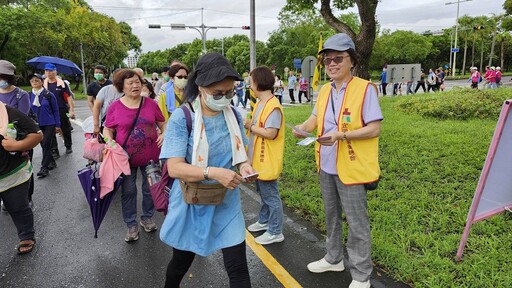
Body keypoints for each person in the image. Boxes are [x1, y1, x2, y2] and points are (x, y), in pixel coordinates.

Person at [292, 33, 382, 288]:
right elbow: (315, 120)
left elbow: (374, 129)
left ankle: (361, 275)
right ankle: (333, 259)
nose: (332, 64)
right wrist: (302, 127)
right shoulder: (323, 91)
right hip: (326, 165)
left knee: (357, 223)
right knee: (331, 216)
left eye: (338, 58)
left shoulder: (365, 89)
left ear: (351, 61)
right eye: (327, 60)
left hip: (352, 168)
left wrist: (342, 135)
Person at [159, 52, 256, 288]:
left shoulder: (232, 114)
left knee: (238, 270)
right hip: (192, 201)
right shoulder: (183, 118)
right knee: (180, 264)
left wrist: (245, 167)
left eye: (229, 92)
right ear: (200, 87)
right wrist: (212, 172)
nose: (224, 98)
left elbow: (240, 155)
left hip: (226, 202)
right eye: (218, 93)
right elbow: (174, 167)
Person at [103, 69, 166, 242]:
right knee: (129, 191)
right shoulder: (115, 106)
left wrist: (163, 134)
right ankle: (131, 224)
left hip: (151, 156)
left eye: (138, 81)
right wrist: (110, 141)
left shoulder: (151, 104)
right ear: (121, 86)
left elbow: (163, 123)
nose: (135, 85)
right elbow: (108, 128)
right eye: (130, 83)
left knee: (150, 189)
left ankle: (147, 217)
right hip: (126, 158)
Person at [244, 66, 285, 245]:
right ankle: (264, 220)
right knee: (263, 192)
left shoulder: (273, 106)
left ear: (258, 82)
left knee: (271, 196)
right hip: (257, 159)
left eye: (251, 81)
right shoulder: (260, 103)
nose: (249, 85)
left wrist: (249, 126)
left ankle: (276, 231)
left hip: (267, 159)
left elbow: (270, 133)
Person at [0, 101, 43, 254]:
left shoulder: (9, 113)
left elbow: (37, 134)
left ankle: (26, 235)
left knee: (17, 207)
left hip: (13, 173)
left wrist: (17, 146)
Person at [0, 60, 35, 209]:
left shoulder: (21, 95)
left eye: (4, 77)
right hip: (1, 144)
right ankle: (6, 199)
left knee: (23, 169)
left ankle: (27, 197)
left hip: (19, 139)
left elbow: (22, 118)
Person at [28, 73, 60, 178]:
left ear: (42, 81)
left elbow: (55, 110)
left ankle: (44, 167)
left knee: (46, 144)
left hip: (49, 123)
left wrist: (57, 124)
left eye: (36, 80)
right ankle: (51, 162)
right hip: (35, 124)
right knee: (43, 145)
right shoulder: (28, 95)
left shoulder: (49, 95)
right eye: (32, 81)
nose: (34, 82)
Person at [44, 63, 75, 156]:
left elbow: (69, 97)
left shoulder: (62, 84)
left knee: (65, 128)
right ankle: (54, 150)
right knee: (50, 130)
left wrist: (71, 110)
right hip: (48, 110)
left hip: (61, 108)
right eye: (47, 71)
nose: (49, 73)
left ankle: (68, 145)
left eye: (51, 71)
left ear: (55, 72)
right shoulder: (43, 84)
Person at [92, 69, 124, 135]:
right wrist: (96, 125)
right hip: (106, 127)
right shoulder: (105, 90)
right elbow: (96, 107)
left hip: (124, 127)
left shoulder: (130, 91)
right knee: (109, 143)